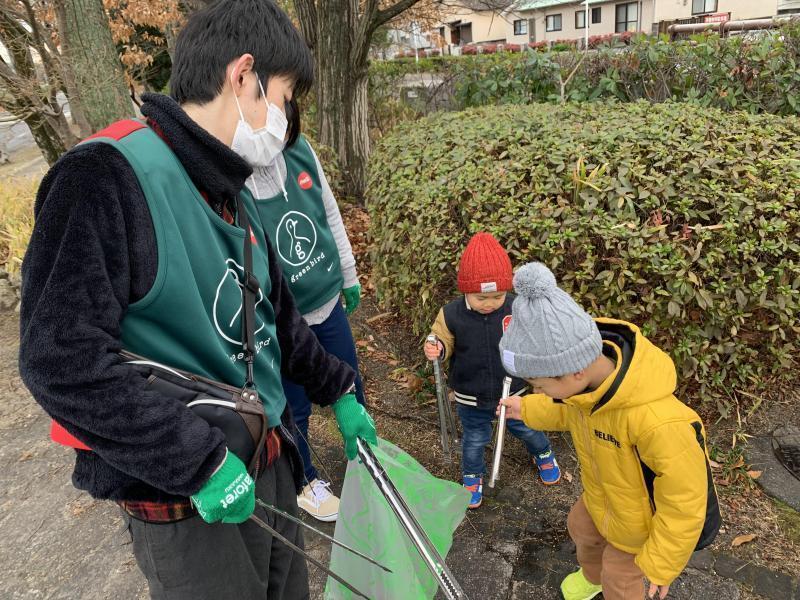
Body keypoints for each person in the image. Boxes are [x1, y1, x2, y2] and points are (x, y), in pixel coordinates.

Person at [18, 1, 377, 598]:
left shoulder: (226, 182)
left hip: (267, 459)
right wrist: (197, 462)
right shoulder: (105, 177)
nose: (286, 123)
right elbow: (59, 359)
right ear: (243, 76)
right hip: (186, 498)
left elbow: (272, 309)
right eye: (283, 99)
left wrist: (335, 387)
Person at [498, 262, 721, 600]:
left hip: (641, 527)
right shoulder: (584, 391)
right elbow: (565, 412)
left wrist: (661, 564)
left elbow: (685, 502)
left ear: (571, 374)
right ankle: (593, 577)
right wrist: (526, 408)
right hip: (605, 499)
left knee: (621, 576)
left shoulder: (660, 423)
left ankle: (612, 586)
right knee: (581, 527)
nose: (537, 391)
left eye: (539, 385)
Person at [245, 103, 365, 523]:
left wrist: (348, 273)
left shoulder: (301, 151)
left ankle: (365, 457)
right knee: (293, 406)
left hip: (327, 302)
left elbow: (328, 210)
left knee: (348, 380)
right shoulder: (236, 176)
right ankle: (305, 480)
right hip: (281, 325)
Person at [424, 232, 560, 509]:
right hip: (470, 393)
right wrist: (435, 346)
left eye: (497, 296)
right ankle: (472, 476)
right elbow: (441, 338)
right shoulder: (451, 314)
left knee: (527, 427)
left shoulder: (516, 308)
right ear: (465, 290)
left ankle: (543, 452)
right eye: (480, 298)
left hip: (514, 388)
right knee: (474, 439)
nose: (489, 303)